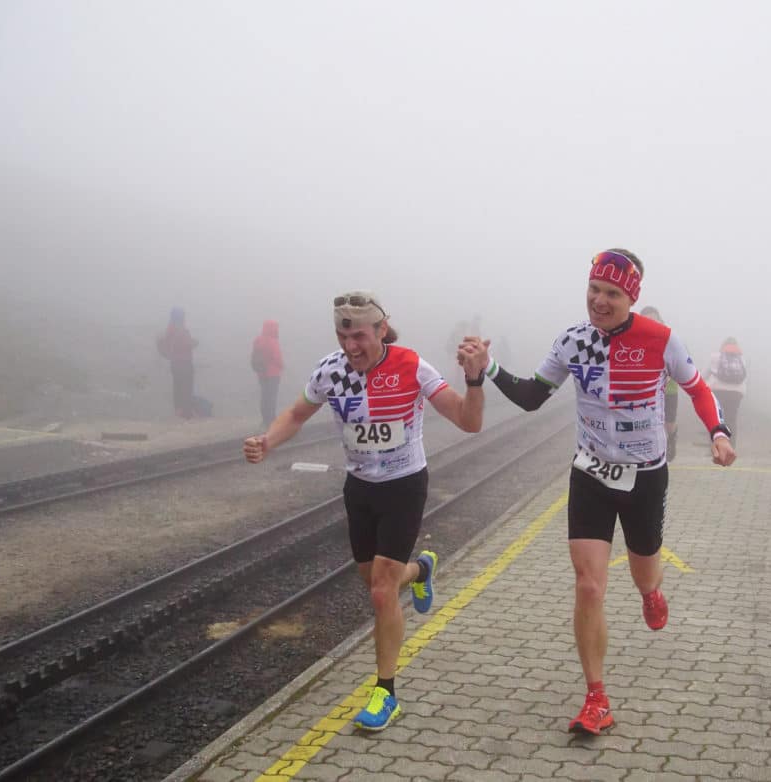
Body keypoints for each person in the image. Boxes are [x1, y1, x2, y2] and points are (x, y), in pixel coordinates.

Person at [458, 248, 736, 736]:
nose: (599, 301)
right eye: (594, 290)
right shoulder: (573, 341)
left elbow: (697, 388)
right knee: (588, 586)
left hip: (645, 476)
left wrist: (718, 430)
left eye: (612, 293)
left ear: (631, 297)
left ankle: (651, 592)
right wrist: (490, 367)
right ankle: (596, 697)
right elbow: (530, 396)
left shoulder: (661, 340)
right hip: (589, 474)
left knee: (643, 571)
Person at [244, 291, 487, 731]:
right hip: (360, 488)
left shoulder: (412, 365)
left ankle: (385, 692)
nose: (351, 346)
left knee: (380, 591)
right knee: (375, 580)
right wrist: (267, 440)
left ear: (380, 330)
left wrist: (474, 382)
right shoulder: (330, 371)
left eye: (359, 336)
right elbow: (297, 414)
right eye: (343, 336)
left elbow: (469, 423)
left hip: (405, 486)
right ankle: (420, 571)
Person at [638, 306, 680, 461]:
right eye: (646, 320)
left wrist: (669, 374)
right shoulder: (636, 340)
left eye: (653, 319)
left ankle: (672, 440)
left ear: (660, 321)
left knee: (669, 422)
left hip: (669, 389)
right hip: (646, 391)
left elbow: (681, 363)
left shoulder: (670, 338)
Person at [156, 307, 198, 419]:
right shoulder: (180, 330)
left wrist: (169, 355)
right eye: (183, 316)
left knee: (178, 388)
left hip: (175, 364)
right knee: (186, 389)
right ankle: (186, 414)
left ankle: (178, 411)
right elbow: (186, 344)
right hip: (184, 363)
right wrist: (194, 342)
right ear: (181, 317)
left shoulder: (169, 329)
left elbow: (163, 343)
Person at [703, 337, 747, 442]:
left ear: (722, 346)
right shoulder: (741, 359)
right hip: (736, 393)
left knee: (716, 418)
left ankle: (715, 445)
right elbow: (744, 378)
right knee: (731, 419)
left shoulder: (715, 357)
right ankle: (731, 445)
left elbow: (704, 374)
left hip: (717, 391)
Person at [251, 319, 285, 427]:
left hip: (261, 373)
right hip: (273, 374)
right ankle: (271, 419)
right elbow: (277, 357)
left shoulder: (258, 340)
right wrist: (282, 366)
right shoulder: (272, 341)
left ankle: (265, 418)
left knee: (264, 396)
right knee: (271, 397)